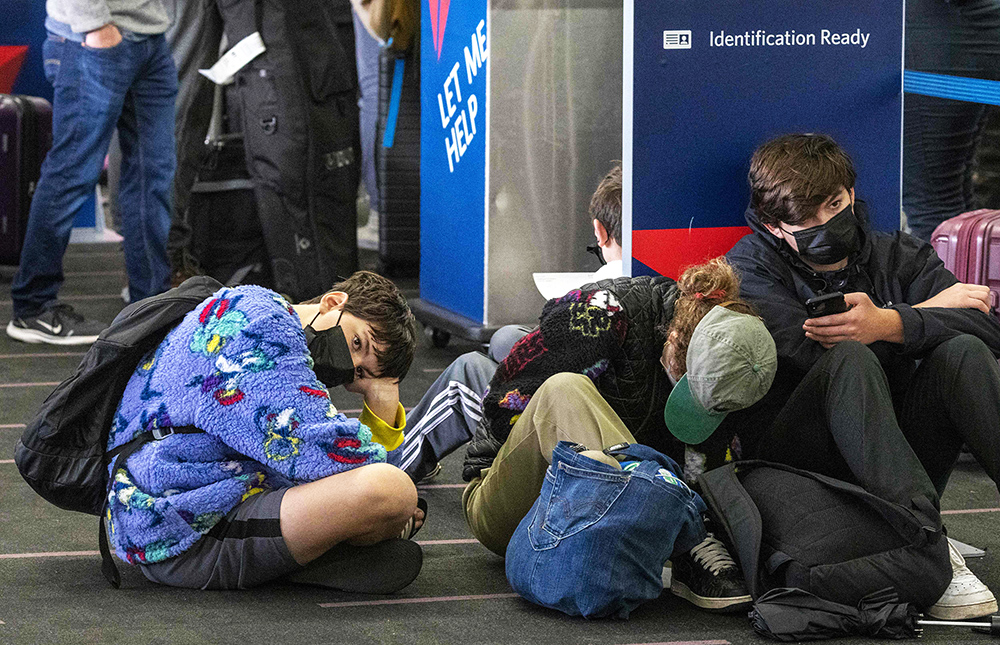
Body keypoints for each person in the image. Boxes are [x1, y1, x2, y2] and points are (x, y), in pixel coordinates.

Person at [725, 132, 1000, 620]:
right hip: (805, 461)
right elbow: (810, 353)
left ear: (851, 194)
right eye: (805, 219)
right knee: (850, 360)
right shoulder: (750, 267)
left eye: (833, 205)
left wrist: (890, 322)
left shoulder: (899, 253)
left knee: (962, 352)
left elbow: (985, 327)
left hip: (899, 454)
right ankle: (928, 545)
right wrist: (919, 318)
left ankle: (920, 530)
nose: (825, 224)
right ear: (774, 227)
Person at [462, 259, 778, 613]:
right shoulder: (600, 313)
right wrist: (592, 458)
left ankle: (679, 528)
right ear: (674, 340)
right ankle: (685, 529)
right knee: (564, 389)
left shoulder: (739, 349)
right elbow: (502, 407)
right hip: (512, 497)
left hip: (604, 517)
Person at [105, 270, 426, 591]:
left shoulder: (259, 313)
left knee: (383, 498)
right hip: (180, 532)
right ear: (332, 302)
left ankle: (314, 554)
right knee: (391, 492)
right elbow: (346, 464)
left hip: (169, 512)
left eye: (360, 374)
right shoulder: (266, 327)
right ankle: (324, 553)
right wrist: (383, 401)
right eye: (357, 343)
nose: (349, 363)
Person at [389, 164, 626, 481]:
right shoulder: (672, 283)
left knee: (468, 370)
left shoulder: (591, 301)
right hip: (632, 426)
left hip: (580, 446)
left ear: (599, 231)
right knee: (506, 338)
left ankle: (390, 468)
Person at [7, 0, 178, 345]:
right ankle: (32, 307)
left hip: (150, 35)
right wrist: (94, 24)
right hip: (92, 37)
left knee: (154, 176)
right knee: (71, 174)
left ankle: (151, 303)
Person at [903, 0, 1000, 242]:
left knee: (933, 203)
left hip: (944, 29)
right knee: (951, 198)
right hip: (961, 28)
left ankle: (943, 267)